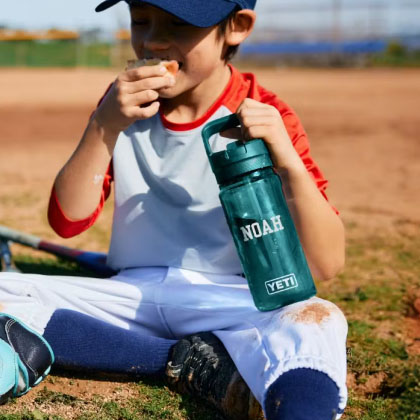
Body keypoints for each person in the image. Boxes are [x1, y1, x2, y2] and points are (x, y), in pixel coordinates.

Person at [0, 0, 348, 419]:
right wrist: (103, 125)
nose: (153, 40)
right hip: (132, 295)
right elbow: (68, 220)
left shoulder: (263, 113)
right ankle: (188, 363)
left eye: (179, 24)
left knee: (317, 320)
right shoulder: (122, 107)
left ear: (236, 27)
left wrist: (287, 161)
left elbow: (325, 265)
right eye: (141, 20)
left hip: (229, 299)